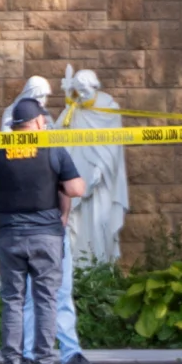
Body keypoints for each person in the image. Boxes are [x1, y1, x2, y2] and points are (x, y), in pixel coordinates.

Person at [0, 98, 86, 364]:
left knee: (13, 299)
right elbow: (76, 188)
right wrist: (58, 182)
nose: (45, 123)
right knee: (46, 298)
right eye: (42, 120)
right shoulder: (51, 148)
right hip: (46, 235)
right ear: (34, 123)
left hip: (10, 236)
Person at [1, 77, 103, 364]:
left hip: (52, 228)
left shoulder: (51, 139)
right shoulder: (11, 132)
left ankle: (70, 352)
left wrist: (65, 216)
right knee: (31, 295)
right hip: (26, 229)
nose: (45, 110)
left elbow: (66, 183)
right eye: (40, 100)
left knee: (61, 291)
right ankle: (30, 353)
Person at [57, 65, 130, 263]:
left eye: (85, 91)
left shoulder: (108, 108)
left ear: (94, 87)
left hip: (101, 180)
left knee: (100, 224)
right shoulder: (75, 109)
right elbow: (58, 137)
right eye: (78, 91)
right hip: (77, 178)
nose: (80, 95)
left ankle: (99, 266)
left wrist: (101, 167)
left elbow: (113, 146)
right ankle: (78, 268)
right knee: (76, 224)